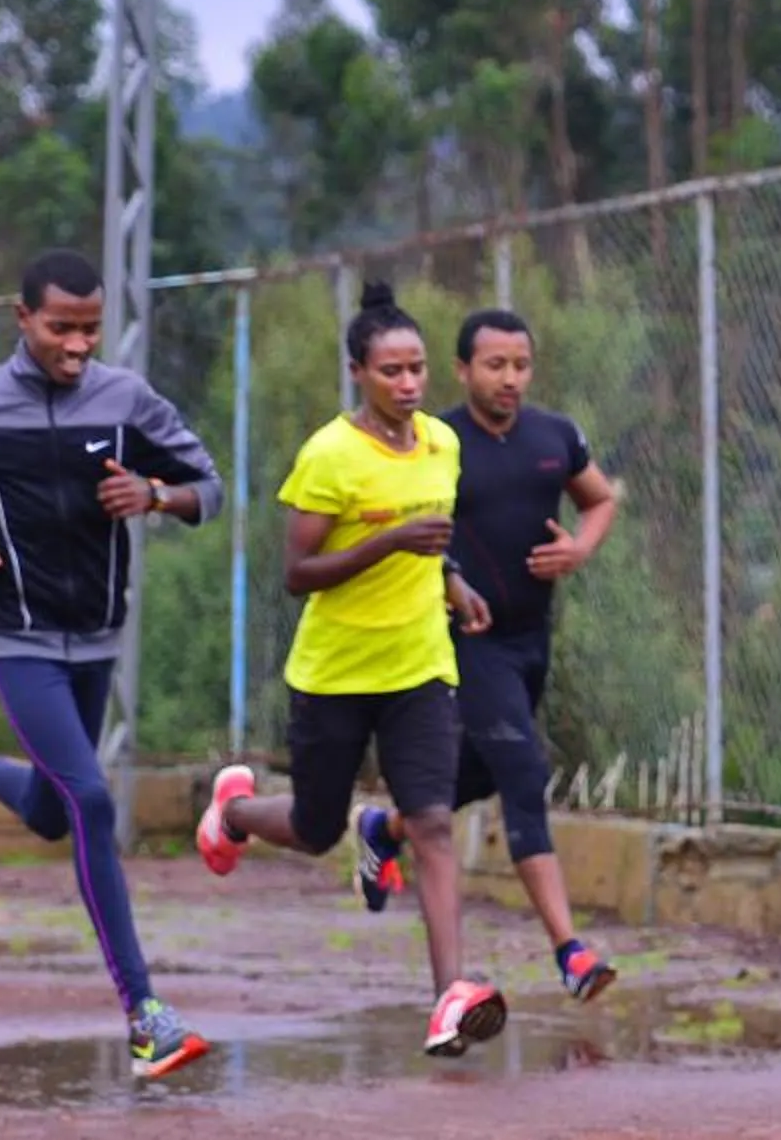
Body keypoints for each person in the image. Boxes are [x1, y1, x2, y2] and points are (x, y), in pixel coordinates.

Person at [0, 248, 225, 1082]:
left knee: (53, 810)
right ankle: (145, 1013)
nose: (78, 345)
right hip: (17, 636)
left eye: (90, 328)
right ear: (22, 319)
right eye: (61, 329)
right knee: (89, 798)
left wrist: (156, 497)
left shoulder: (126, 400)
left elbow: (210, 486)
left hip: (99, 636)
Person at [195, 281, 508, 1060]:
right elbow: (299, 573)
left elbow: (435, 541)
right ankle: (234, 814)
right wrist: (388, 544)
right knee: (314, 827)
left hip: (420, 668)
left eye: (417, 369)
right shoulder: (329, 454)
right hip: (334, 674)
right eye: (390, 372)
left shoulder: (443, 442)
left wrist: (454, 582)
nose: (408, 385)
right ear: (357, 374)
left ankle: (449, 1000)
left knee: (432, 823)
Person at [355, 306, 621, 1001]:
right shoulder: (436, 441)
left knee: (477, 776)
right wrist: (447, 583)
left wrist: (580, 547)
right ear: (464, 369)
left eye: (521, 365)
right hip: (466, 640)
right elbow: (403, 523)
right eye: (495, 365)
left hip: (533, 638)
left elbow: (599, 500)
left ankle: (383, 827)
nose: (510, 379)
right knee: (526, 770)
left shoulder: (554, 435)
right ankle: (570, 950)